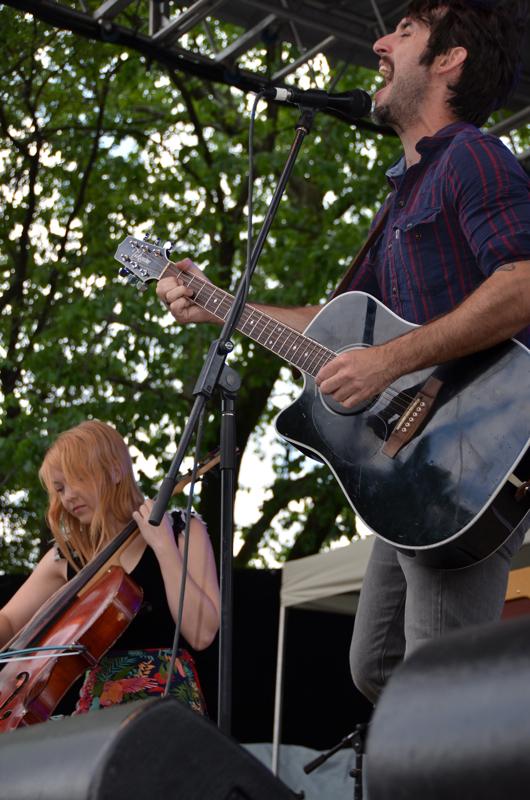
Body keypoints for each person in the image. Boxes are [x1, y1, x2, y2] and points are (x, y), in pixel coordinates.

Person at [155, 0, 530, 705]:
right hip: (414, 466)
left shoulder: (472, 158)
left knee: (439, 684)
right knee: (378, 666)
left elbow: (524, 283)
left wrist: (388, 364)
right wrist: (218, 304)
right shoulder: (403, 197)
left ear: (450, 61)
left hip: (470, 460)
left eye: (406, 32)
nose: (380, 42)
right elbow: (327, 328)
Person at [0, 419, 220, 715]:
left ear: (116, 470)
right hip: (98, 708)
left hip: (169, 704)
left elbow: (202, 633)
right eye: (60, 488)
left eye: (76, 480)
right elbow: (10, 624)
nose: (67, 497)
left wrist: (164, 548)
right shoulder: (67, 555)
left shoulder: (182, 530)